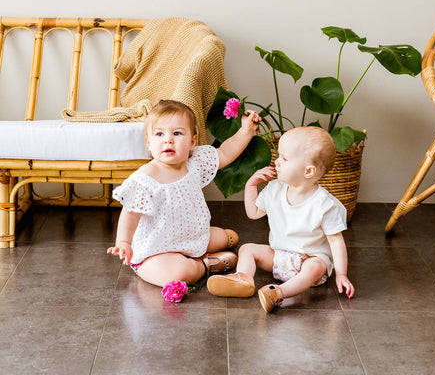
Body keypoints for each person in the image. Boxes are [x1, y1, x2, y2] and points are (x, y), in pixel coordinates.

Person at [107, 100, 261, 287]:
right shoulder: (144, 180)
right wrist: (124, 242)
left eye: (177, 133)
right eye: (159, 134)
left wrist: (245, 131)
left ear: (192, 142)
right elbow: (129, 215)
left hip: (192, 235)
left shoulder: (195, 161)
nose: (168, 140)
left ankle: (218, 242)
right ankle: (205, 265)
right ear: (149, 143)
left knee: (223, 237)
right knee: (176, 273)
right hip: (156, 250)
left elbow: (225, 153)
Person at [207, 126, 355, 312]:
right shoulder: (275, 189)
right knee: (247, 249)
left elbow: (336, 243)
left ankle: (278, 293)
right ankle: (243, 279)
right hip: (279, 256)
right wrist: (250, 186)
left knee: (316, 267)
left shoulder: (325, 205)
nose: (276, 162)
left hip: (308, 261)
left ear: (308, 171)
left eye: (284, 158)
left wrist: (341, 274)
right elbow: (253, 213)